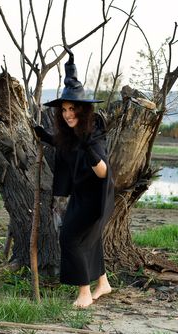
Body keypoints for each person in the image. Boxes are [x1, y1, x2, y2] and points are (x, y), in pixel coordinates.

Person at [34, 50, 114, 308]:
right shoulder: (69, 134)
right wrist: (43, 135)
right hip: (82, 195)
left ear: (83, 109)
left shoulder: (93, 133)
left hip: (95, 197)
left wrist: (88, 146)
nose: (68, 114)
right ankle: (103, 284)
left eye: (73, 109)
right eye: (65, 109)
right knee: (90, 240)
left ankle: (85, 292)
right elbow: (62, 145)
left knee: (70, 238)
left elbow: (103, 172)